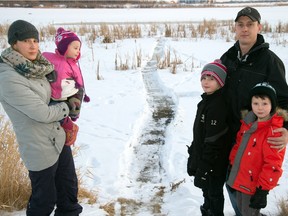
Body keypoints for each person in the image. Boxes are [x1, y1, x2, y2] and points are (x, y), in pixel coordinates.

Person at [0, 20, 83, 215]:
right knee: (44, 201)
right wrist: (65, 107)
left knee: (68, 194)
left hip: (58, 138)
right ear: (13, 44)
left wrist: (71, 97)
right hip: (38, 147)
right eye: (26, 40)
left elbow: (52, 95)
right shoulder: (8, 77)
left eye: (35, 41)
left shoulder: (36, 67)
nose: (32, 46)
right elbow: (42, 113)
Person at [220, 6, 288, 215]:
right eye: (240, 25)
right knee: (230, 181)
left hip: (253, 136)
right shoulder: (228, 57)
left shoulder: (270, 61)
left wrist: (285, 127)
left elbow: (283, 99)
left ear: (259, 27)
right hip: (228, 132)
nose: (245, 29)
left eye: (250, 24)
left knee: (249, 188)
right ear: (235, 28)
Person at [227, 82, 287, 216]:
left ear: (272, 105)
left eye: (265, 103)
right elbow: (238, 146)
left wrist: (263, 190)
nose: (260, 108)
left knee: (249, 213)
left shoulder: (273, 131)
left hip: (254, 186)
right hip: (240, 179)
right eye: (256, 103)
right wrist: (233, 165)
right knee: (242, 210)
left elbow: (273, 164)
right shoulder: (248, 123)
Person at [187, 60, 231, 216]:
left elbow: (214, 141)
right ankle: (207, 211)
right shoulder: (205, 101)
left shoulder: (218, 106)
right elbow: (199, 134)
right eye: (204, 77)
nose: (206, 82)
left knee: (214, 193)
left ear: (220, 82)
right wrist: (193, 156)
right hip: (205, 159)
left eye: (212, 78)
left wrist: (205, 168)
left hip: (214, 163)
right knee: (207, 193)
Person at [43, 27, 90, 146]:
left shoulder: (72, 63)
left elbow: (79, 80)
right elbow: (40, 58)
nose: (78, 51)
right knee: (53, 116)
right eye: (75, 48)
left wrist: (80, 86)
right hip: (52, 95)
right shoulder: (49, 57)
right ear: (64, 47)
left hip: (68, 94)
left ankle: (71, 123)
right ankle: (64, 130)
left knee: (70, 107)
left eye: (79, 49)